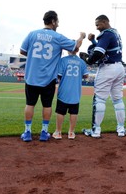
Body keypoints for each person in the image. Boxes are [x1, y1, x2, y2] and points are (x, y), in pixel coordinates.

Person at [19, 10, 85, 142]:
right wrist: (81, 37)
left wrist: (35, 59)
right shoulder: (57, 37)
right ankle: (44, 132)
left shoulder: (32, 34)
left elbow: (22, 51)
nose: (58, 24)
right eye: (57, 21)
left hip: (32, 76)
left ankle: (27, 132)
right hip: (48, 78)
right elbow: (75, 47)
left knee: (30, 104)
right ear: (53, 21)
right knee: (47, 105)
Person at [82, 15, 126, 138]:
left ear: (105, 22)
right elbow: (106, 48)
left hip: (108, 68)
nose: (97, 28)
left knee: (100, 99)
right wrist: (93, 42)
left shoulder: (105, 34)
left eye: (98, 24)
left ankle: (96, 130)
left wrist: (89, 60)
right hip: (119, 67)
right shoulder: (115, 33)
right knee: (117, 99)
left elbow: (99, 52)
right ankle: (121, 129)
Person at [52, 49, 89, 140]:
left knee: (61, 112)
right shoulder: (81, 62)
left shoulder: (63, 60)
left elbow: (59, 76)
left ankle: (58, 132)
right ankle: (71, 133)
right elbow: (86, 76)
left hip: (64, 90)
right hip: (75, 91)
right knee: (74, 112)